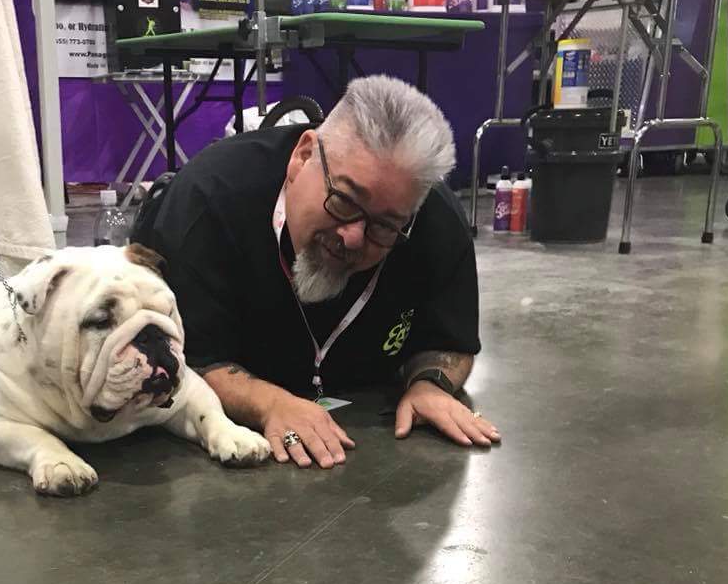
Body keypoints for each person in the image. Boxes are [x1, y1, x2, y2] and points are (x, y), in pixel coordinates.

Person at [132, 75, 500, 469]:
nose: (354, 237)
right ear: (303, 156)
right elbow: (187, 358)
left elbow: (451, 341)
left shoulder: (435, 223)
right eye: (343, 201)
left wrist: (431, 384)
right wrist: (270, 404)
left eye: (383, 226)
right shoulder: (206, 203)